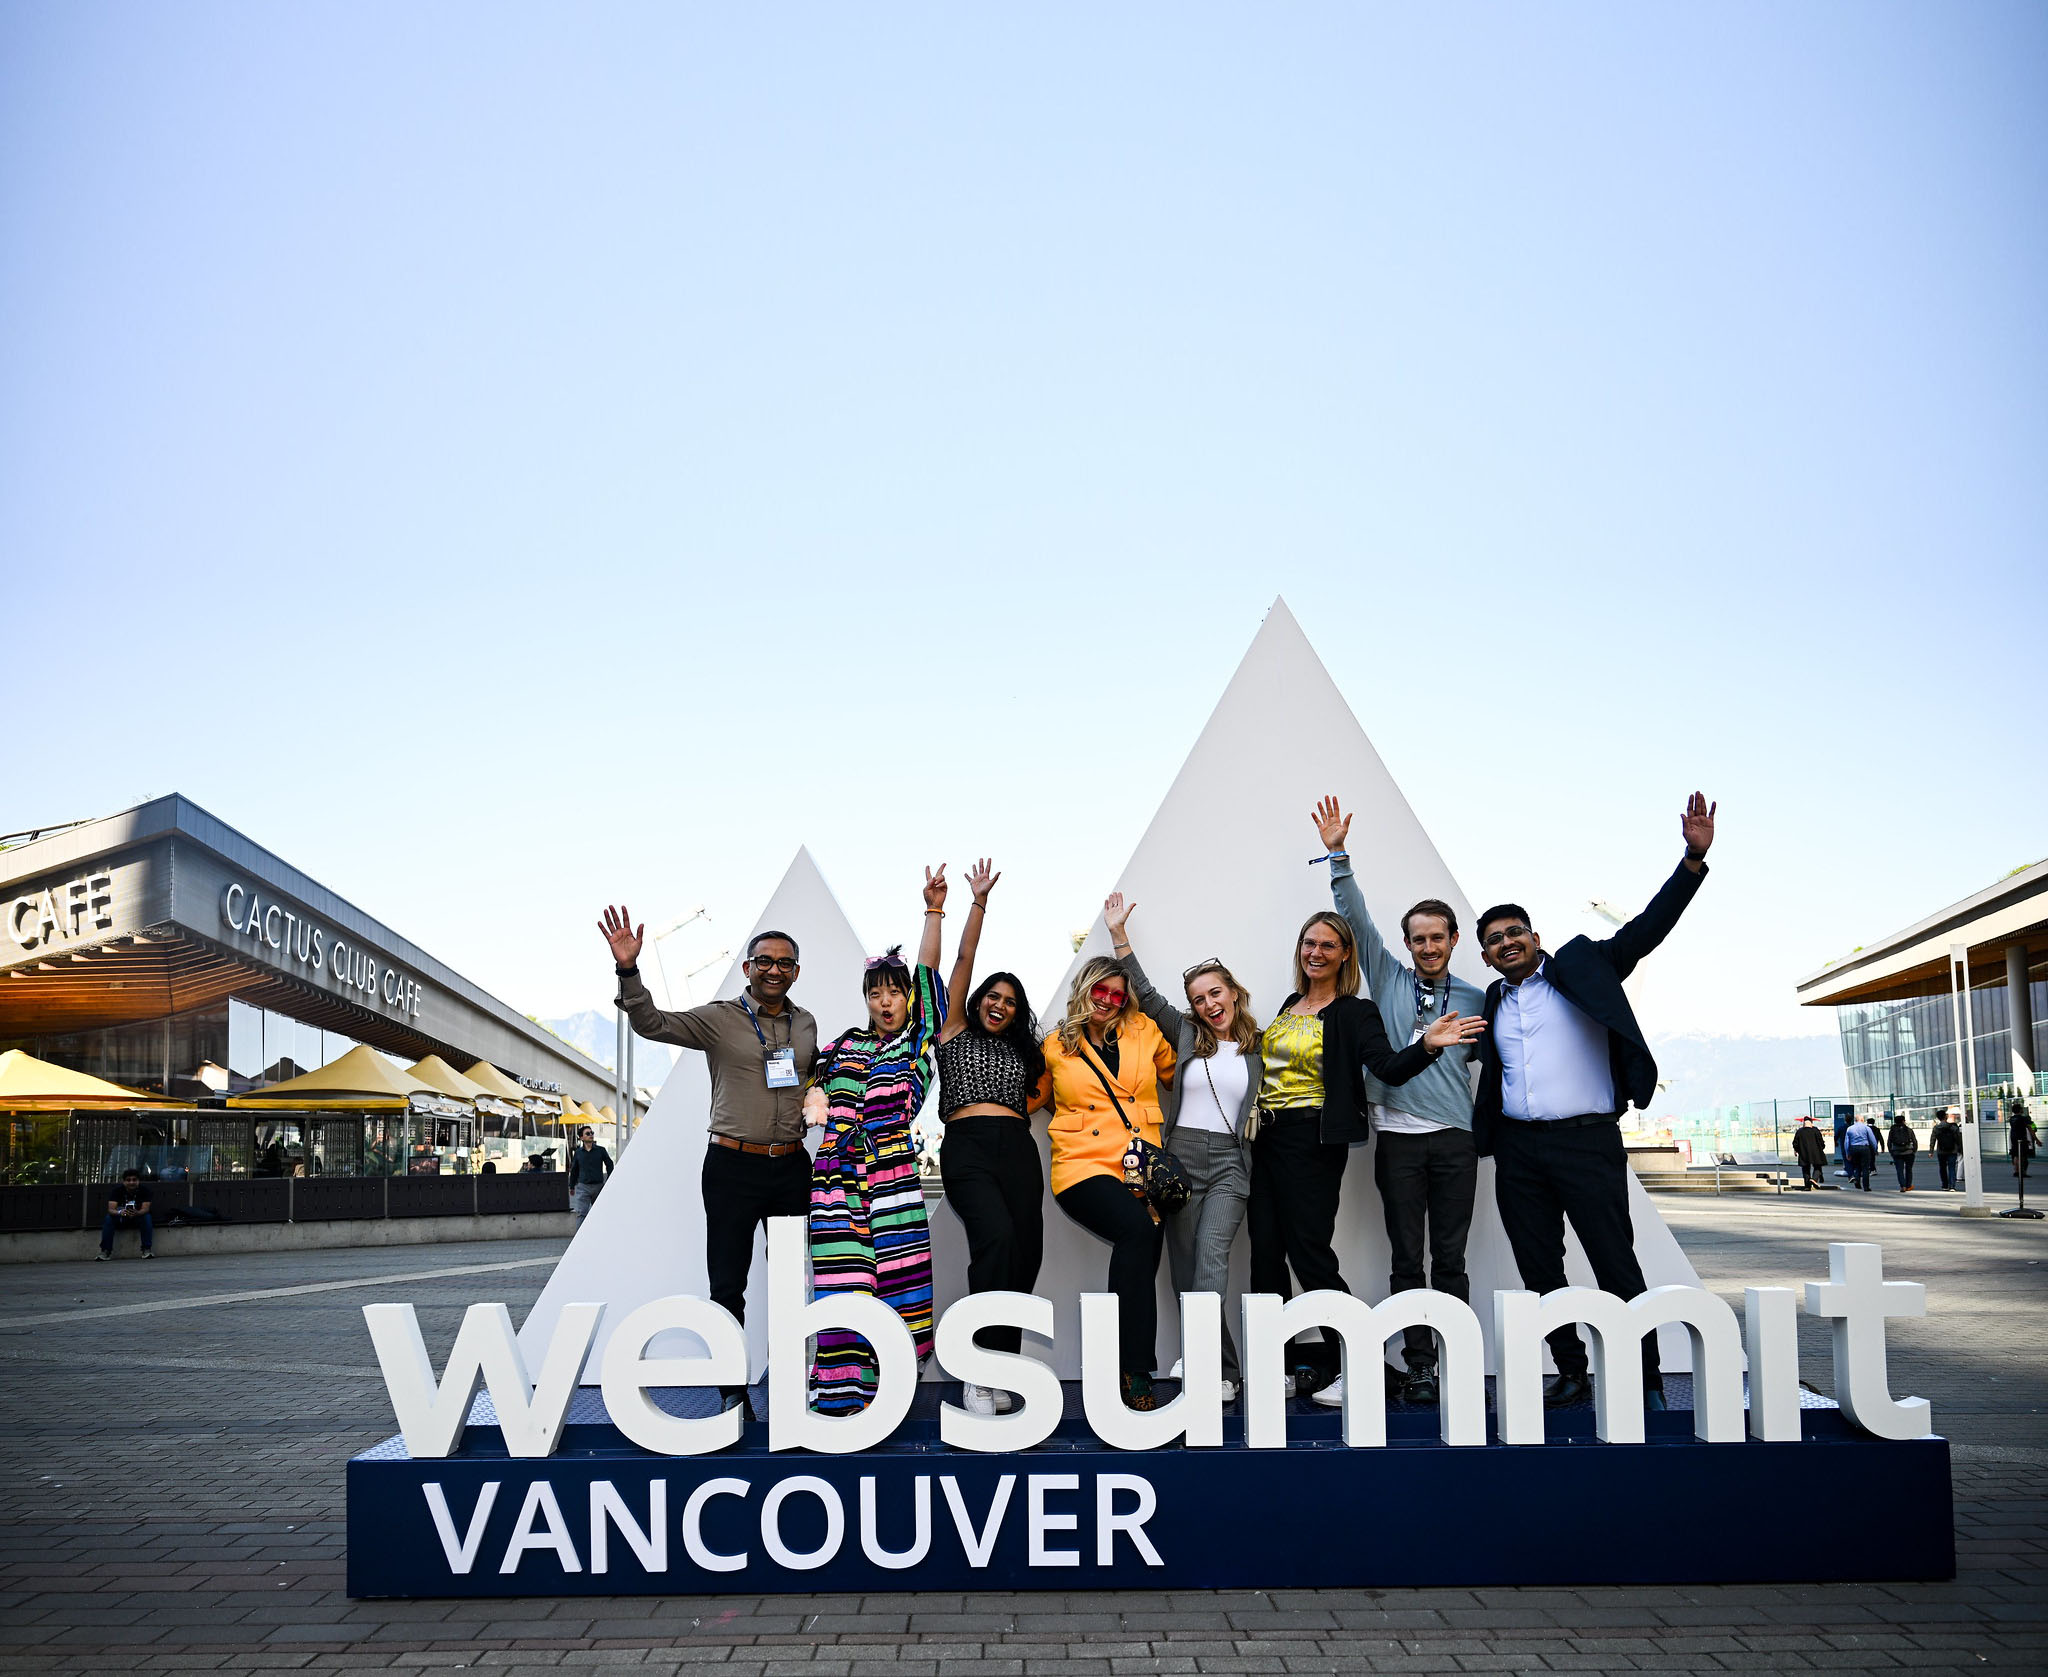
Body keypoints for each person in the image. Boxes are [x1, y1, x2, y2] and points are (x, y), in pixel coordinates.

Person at [1472, 792, 1718, 1412]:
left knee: (1616, 1263)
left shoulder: (1584, 964)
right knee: (1539, 1268)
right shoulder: (1492, 1003)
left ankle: (1647, 1381)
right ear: (1484, 954)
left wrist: (1691, 861)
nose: (1506, 943)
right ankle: (1573, 1372)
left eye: (1514, 932)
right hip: (1519, 1149)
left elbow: (1646, 930)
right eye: (1494, 939)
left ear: (1535, 936)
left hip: (1588, 1142)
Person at [1256, 907, 1483, 1410]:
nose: (1316, 952)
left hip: (1313, 1142)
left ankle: (1362, 1365)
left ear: (1345, 955)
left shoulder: (1355, 1011)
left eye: (1327, 945)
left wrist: (1425, 1047)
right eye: (1308, 943)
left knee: (1310, 1256)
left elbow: (1386, 1067)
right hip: (1266, 1142)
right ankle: (1279, 1366)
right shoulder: (1289, 1004)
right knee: (1265, 1255)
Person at [604, 905, 818, 1411]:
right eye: (764, 961)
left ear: (795, 972)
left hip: (790, 1167)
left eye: (785, 964)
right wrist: (628, 970)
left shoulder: (806, 1024)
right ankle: (730, 1392)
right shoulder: (719, 1019)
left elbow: (810, 1079)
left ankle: (790, 1390)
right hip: (732, 1168)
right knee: (728, 1283)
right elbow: (652, 1024)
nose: (774, 970)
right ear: (748, 967)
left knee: (790, 1283)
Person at [1313, 794, 1489, 1408]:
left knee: (1452, 1257)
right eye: (1418, 938)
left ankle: (1456, 1360)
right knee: (1406, 1259)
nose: (1428, 946)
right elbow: (1355, 919)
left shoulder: (1477, 997)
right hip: (1395, 1141)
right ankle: (1419, 1365)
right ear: (1407, 942)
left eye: (1438, 938)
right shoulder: (1387, 977)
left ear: (1453, 939)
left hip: (1453, 1141)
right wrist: (1338, 855)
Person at [800, 867, 951, 1415]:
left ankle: (893, 1393)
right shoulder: (842, 1044)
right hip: (836, 1175)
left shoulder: (916, 1041)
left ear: (908, 999)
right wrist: (815, 1099)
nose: (885, 1002)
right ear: (865, 998)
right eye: (876, 993)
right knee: (843, 1281)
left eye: (894, 992)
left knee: (901, 1280)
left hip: (891, 1170)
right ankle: (842, 1395)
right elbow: (814, 1083)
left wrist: (933, 912)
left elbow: (931, 970)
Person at [1106, 892, 1262, 1406]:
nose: (1208, 1005)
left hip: (1230, 1165)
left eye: (1215, 993)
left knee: (1211, 1263)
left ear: (1233, 993)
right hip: (1179, 1160)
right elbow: (1146, 996)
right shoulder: (1189, 1034)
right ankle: (1224, 1372)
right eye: (1198, 999)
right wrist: (1120, 938)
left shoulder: (1262, 1046)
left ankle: (1200, 1360)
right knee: (1184, 1271)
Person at [934, 859, 1052, 1418]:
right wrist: (977, 901)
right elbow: (961, 961)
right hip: (968, 1148)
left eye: (1010, 1000)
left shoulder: (1028, 1053)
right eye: (992, 996)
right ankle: (976, 1372)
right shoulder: (952, 1029)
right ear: (979, 1000)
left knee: (1025, 1253)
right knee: (997, 1240)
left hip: (1018, 1150)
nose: (999, 1004)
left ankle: (1002, 1368)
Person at [1042, 955, 1178, 1410]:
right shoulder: (1055, 1045)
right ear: (1084, 987)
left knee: (1144, 1248)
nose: (1108, 1000)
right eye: (1101, 990)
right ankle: (1133, 1368)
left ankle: (1131, 1367)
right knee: (1138, 1230)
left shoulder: (1145, 1030)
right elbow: (1034, 1098)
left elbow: (1184, 1070)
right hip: (1080, 1165)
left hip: (1139, 1165)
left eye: (1118, 994)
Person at [98, 1169, 153, 1260]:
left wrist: (137, 1212)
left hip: (137, 1217)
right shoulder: (117, 1191)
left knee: (147, 1217)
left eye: (134, 1180)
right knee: (109, 1219)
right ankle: (105, 1251)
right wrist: (120, 1212)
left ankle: (146, 1249)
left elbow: (146, 1209)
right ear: (123, 1181)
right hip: (121, 1218)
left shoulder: (144, 1190)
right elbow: (111, 1209)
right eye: (128, 1180)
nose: (131, 1182)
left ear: (138, 1181)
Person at [566, 1125, 613, 1222]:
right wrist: (571, 1186)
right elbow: (574, 1170)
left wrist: (609, 1179)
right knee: (581, 1214)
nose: (591, 1135)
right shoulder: (578, 1153)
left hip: (599, 1187)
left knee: (601, 1213)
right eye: (588, 1133)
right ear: (581, 1138)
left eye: (592, 1133)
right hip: (583, 1187)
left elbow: (609, 1164)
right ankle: (580, 1237)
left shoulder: (601, 1150)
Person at [1842, 1114, 1880, 1191]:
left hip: (1854, 1148)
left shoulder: (1850, 1129)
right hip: (1864, 1148)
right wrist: (1875, 1149)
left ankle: (1857, 1181)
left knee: (1856, 1166)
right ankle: (1866, 1186)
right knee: (1865, 1168)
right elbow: (1872, 1140)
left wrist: (1847, 1153)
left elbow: (1846, 1142)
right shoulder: (1867, 1128)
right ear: (1862, 1120)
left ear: (1855, 1120)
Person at [1792, 1115, 1828, 1190]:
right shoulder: (1815, 1130)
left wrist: (1796, 1150)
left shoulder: (1799, 1131)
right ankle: (1814, 1179)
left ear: (1803, 1123)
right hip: (1816, 1153)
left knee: (1805, 1169)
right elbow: (1820, 1141)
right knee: (1818, 1166)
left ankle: (1807, 1186)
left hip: (1804, 1153)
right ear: (1811, 1123)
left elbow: (1795, 1143)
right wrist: (1822, 1148)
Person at [1931, 1108, 1963, 1191]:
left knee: (1942, 1168)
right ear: (1945, 1116)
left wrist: (1931, 1151)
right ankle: (1952, 1186)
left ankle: (1944, 1185)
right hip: (1952, 1150)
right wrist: (1959, 1148)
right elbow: (1958, 1138)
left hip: (1941, 1151)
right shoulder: (1953, 1126)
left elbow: (1933, 1139)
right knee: (1952, 1168)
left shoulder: (1936, 1128)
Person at [1887, 1112, 1919, 1192]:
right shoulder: (1908, 1130)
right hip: (1909, 1152)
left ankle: (1902, 1186)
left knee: (1899, 1170)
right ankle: (1908, 1186)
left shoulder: (1892, 1130)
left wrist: (1891, 1151)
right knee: (1909, 1169)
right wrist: (1914, 1150)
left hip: (1897, 1152)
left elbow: (1889, 1142)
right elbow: (1914, 1141)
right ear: (1903, 1121)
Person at [2013, 1104, 2038, 1181]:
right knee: (2023, 1157)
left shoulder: (2011, 1119)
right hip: (2022, 1140)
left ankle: (2016, 1171)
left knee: (2016, 1155)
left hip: (2014, 1139)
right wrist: (2037, 1140)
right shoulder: (2024, 1119)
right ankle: (2022, 1172)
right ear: (2020, 1110)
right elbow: (2032, 1129)